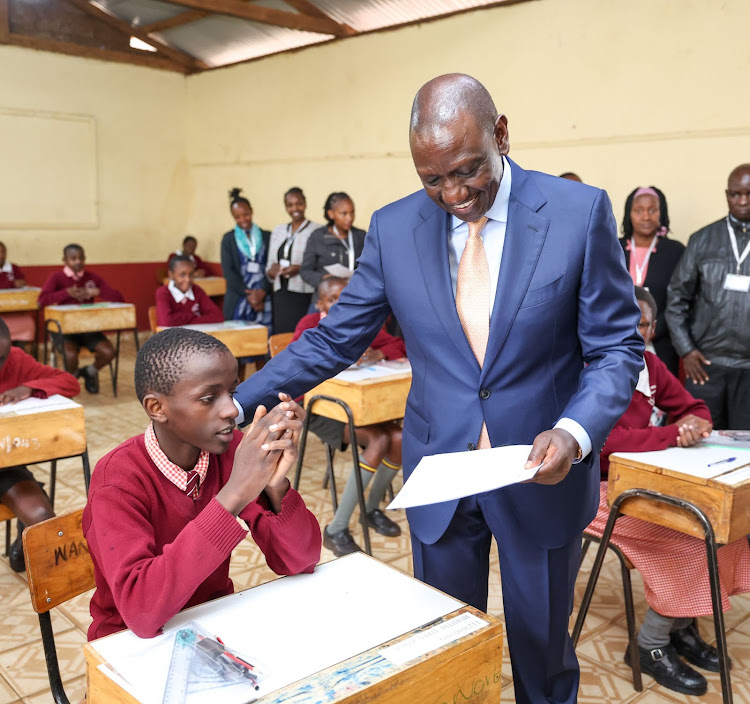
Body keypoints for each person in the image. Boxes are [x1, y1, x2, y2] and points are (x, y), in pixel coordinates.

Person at [233, 74, 643, 704]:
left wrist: (575, 431)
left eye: (467, 171)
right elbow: (333, 340)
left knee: (543, 654)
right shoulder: (393, 229)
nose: (452, 193)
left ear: (501, 133)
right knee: (444, 650)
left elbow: (615, 348)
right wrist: (237, 401)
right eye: (432, 178)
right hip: (441, 473)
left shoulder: (576, 212)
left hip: (541, 468)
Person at [82, 328, 321, 640]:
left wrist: (276, 487)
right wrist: (234, 493)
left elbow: (300, 561)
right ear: (157, 408)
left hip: (212, 624)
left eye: (232, 393)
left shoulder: (230, 449)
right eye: (208, 398)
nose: (232, 410)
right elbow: (141, 613)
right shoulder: (118, 479)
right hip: (127, 642)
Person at [586, 287, 750, 696]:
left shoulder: (651, 364)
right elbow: (608, 442)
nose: (633, 333)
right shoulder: (588, 367)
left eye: (641, 325)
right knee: (694, 538)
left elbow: (694, 407)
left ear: (653, 328)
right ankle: (650, 645)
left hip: (644, 483)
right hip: (597, 494)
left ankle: (682, 627)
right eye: (624, 323)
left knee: (723, 526)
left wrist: (693, 424)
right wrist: (669, 435)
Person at [294, 277, 406, 556]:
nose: (339, 304)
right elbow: (297, 364)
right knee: (379, 440)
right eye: (332, 299)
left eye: (345, 297)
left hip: (363, 405)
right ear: (320, 303)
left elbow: (399, 346)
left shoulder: (361, 322)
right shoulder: (308, 325)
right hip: (324, 409)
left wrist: (377, 353)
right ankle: (336, 528)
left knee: (401, 437)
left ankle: (370, 509)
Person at [667, 164, 750, 429]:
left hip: (748, 369)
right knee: (702, 444)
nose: (743, 201)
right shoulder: (702, 239)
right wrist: (687, 350)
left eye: (749, 193)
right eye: (736, 194)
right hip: (705, 367)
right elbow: (676, 299)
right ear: (727, 195)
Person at [0, 318, 80, 572]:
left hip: (5, 466)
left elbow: (69, 382)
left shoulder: (16, 359)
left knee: (43, 519)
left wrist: (29, 387)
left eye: (1, 357)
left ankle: (22, 540)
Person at [38, 244, 124, 394]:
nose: (78, 261)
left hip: (88, 328)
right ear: (64, 260)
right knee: (70, 356)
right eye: (73, 258)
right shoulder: (57, 277)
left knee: (109, 352)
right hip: (65, 330)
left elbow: (119, 298)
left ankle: (89, 372)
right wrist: (66, 293)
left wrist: (97, 291)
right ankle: (71, 382)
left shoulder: (92, 278)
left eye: (81, 258)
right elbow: (42, 300)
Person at [620, 187, 684, 376]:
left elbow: (679, 299)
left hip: (661, 341)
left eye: (652, 210)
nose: (646, 216)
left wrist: (652, 331)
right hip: (619, 339)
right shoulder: (613, 247)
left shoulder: (675, 251)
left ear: (661, 213)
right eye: (639, 210)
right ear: (629, 214)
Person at [267, 188, 321, 334]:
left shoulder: (317, 230)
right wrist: (272, 271)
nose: (295, 208)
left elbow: (320, 263)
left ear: (305, 204)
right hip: (280, 293)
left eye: (299, 204)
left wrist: (300, 268)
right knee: (281, 335)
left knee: (301, 333)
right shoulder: (278, 230)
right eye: (290, 205)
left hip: (303, 292)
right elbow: (270, 264)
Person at [220, 188, 272, 333]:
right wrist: (250, 296)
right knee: (238, 340)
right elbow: (228, 272)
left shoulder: (267, 236)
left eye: (246, 214)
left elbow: (272, 266)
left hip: (264, 298)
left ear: (252, 211)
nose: (243, 220)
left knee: (265, 339)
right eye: (237, 217)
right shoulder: (228, 239)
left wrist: (262, 292)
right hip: (239, 298)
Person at [300, 192, 366, 306]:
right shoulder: (318, 237)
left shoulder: (361, 236)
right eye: (344, 214)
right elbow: (305, 271)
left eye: (352, 213)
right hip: (325, 299)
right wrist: (324, 278)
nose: (349, 218)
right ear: (331, 214)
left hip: (354, 297)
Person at [155, 255, 223, 327]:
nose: (188, 279)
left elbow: (218, 316)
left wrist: (184, 320)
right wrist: (194, 316)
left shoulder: (196, 290)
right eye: (182, 275)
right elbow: (167, 322)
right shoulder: (163, 292)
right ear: (171, 275)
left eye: (191, 274)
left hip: (195, 337)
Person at [0, 242, 35, 346]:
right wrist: (11, 283)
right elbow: (14, 283)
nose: (1, 256)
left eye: (3, 252)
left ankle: (18, 355)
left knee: (28, 324)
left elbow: (22, 283)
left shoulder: (13, 268)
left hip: (15, 311)